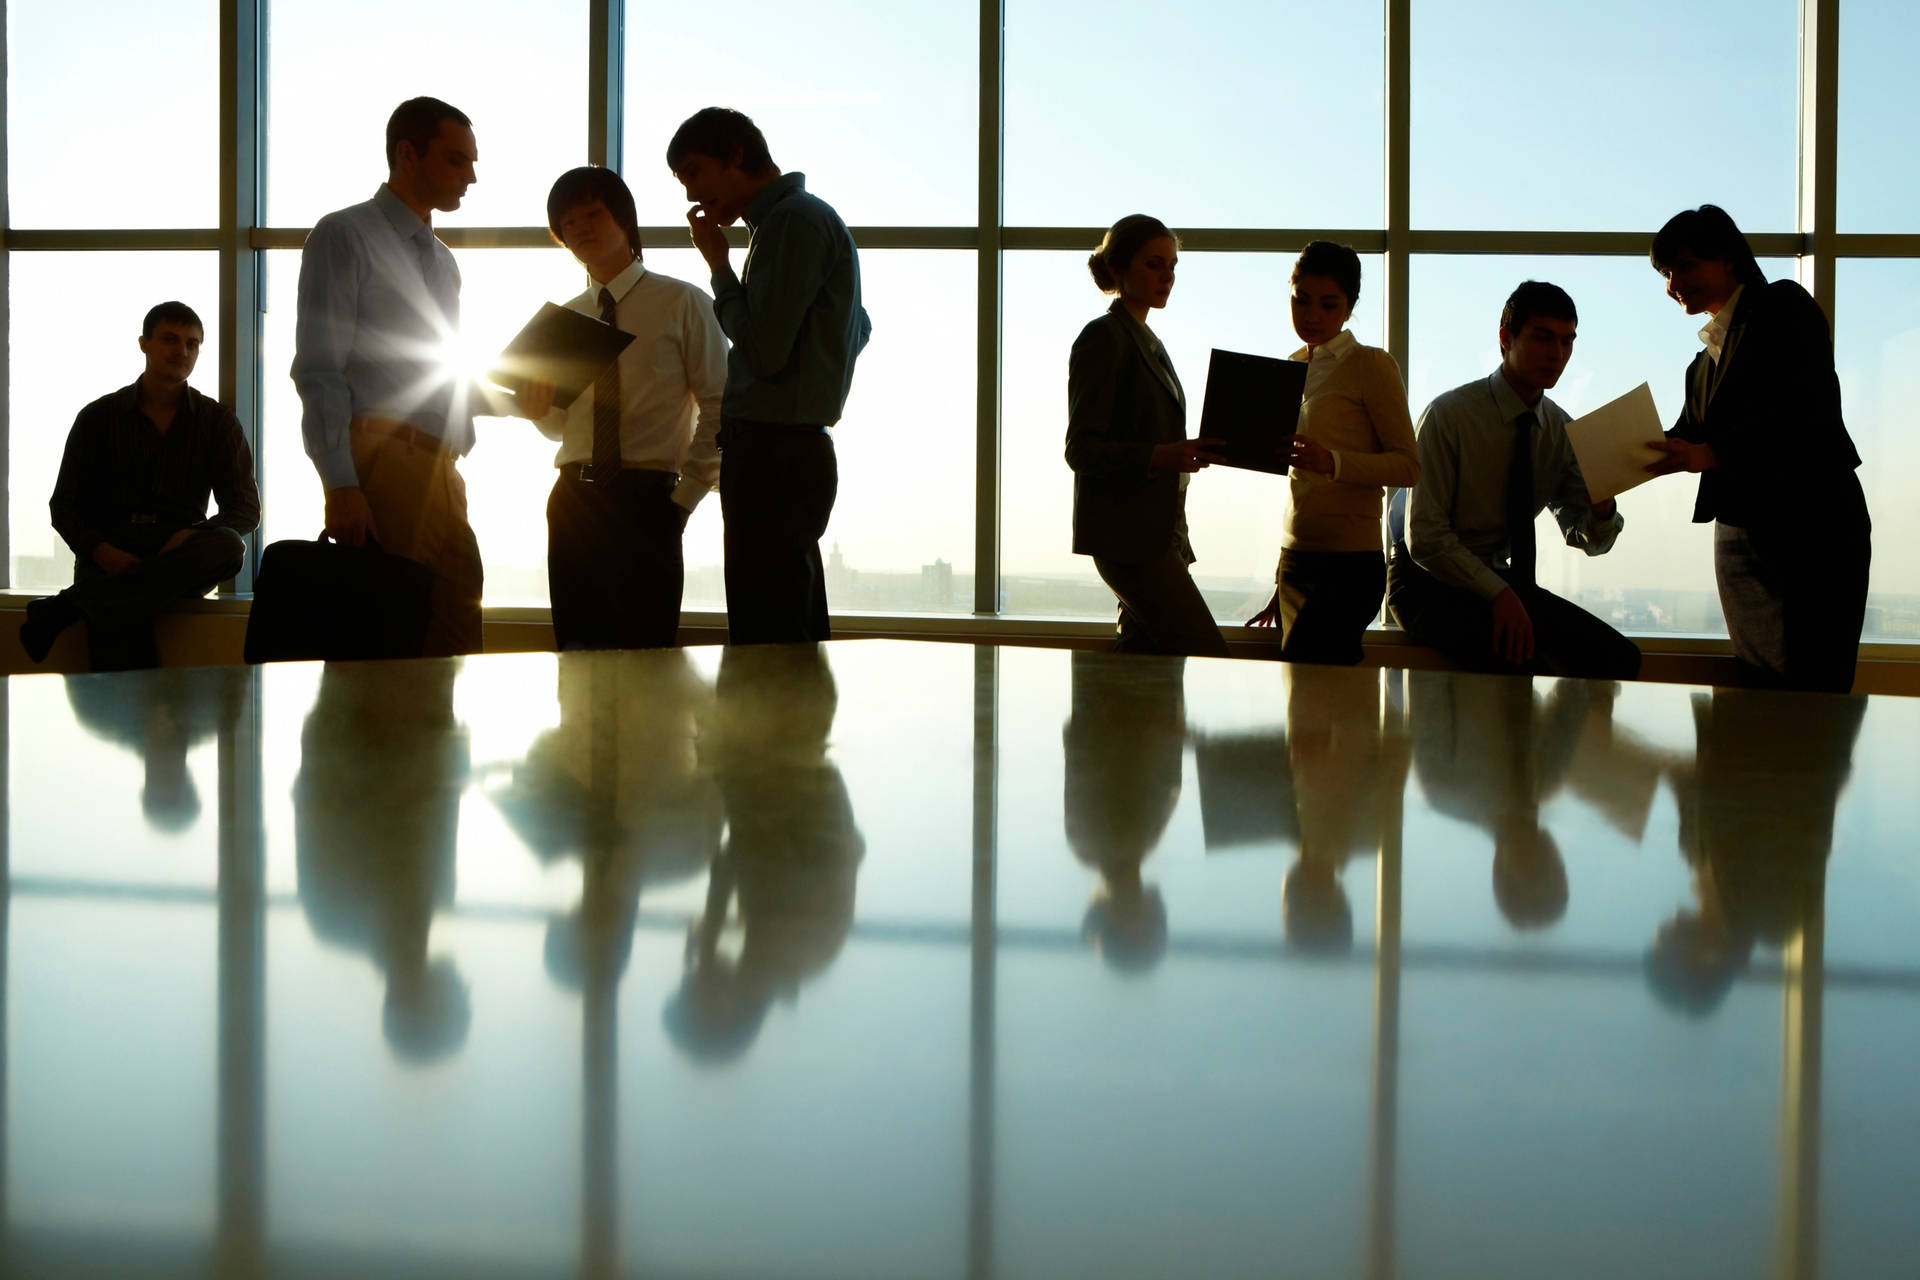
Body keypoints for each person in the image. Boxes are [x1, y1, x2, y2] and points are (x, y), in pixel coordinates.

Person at [291, 96, 538, 658]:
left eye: (472, 162)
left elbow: (438, 381)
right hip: (385, 463)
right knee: (388, 647)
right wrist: (341, 485)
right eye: (457, 160)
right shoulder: (345, 236)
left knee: (453, 640)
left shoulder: (445, 262)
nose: (472, 177)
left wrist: (523, 401)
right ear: (408, 154)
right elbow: (320, 370)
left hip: (443, 470)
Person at [1646, 204, 1872, 693]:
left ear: (1726, 257)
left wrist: (1713, 454)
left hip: (1810, 527)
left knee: (1812, 686)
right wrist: (1612, 459)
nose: (1672, 284)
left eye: (1684, 265)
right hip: (1742, 536)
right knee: (1760, 687)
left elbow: (1802, 407)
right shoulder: (1701, 366)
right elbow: (1684, 439)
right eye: (1666, 273)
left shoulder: (1782, 306)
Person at [667, 106, 871, 645]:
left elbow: (763, 351)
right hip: (791, 452)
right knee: (788, 623)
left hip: (771, 455)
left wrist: (718, 268)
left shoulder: (789, 222)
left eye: (693, 172)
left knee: (769, 635)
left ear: (734, 155)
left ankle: (776, 734)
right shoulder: (803, 220)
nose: (692, 194)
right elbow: (859, 327)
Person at [1387, 281, 1642, 680]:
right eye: (1543, 338)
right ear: (1505, 338)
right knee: (1520, 666)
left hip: (1501, 581)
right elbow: (1426, 538)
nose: (1557, 354)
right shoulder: (1448, 416)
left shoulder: (1560, 429)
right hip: (1425, 581)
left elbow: (1588, 538)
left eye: (1567, 341)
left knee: (1620, 659)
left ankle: (1555, 744)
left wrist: (1603, 508)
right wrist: (1501, 594)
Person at [519, 166, 727, 650]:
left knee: (646, 660)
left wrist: (684, 500)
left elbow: (720, 407)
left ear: (625, 220)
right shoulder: (565, 319)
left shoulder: (683, 302)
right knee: (576, 659)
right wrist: (537, 410)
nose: (581, 229)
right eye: (568, 224)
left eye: (592, 214)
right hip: (573, 500)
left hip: (648, 499)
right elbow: (558, 427)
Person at [22, 301, 258, 671]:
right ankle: (97, 600)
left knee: (228, 545)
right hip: (110, 551)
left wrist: (192, 534)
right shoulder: (98, 417)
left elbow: (245, 509)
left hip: (178, 555)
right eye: (169, 339)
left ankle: (69, 606)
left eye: (192, 344)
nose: (181, 351)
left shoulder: (217, 422)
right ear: (143, 343)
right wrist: (102, 552)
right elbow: (64, 505)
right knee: (121, 650)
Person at [1066, 214, 1229, 658]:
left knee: (1146, 669)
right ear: (1118, 269)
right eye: (1155, 264)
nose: (1167, 277)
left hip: (1157, 534)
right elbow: (1081, 449)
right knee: (1204, 654)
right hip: (1130, 540)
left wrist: (1178, 454)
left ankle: (1107, 729)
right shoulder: (1103, 338)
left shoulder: (1147, 340)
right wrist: (1160, 455)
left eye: (1172, 266)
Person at [1248, 242, 1419, 664]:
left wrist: (1333, 461)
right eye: (1301, 300)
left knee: (1315, 694)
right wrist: (1281, 579)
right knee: (1307, 707)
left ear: (1349, 308)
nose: (1312, 315)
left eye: (1329, 304)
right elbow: (1299, 485)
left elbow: (1409, 466)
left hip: (1348, 564)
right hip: (1295, 559)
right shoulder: (1290, 368)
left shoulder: (1372, 366)